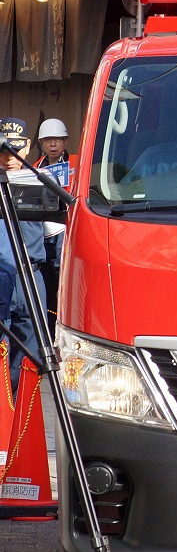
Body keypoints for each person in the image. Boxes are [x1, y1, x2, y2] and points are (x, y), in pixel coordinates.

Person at [0, 118, 46, 389]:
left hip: (31, 276)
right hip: (3, 275)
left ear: (27, 147)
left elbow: (56, 243)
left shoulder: (44, 183)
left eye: (15, 151)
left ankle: (19, 421)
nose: (9, 158)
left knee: (30, 357)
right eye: (3, 151)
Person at [33, 117, 74, 326]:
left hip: (67, 231)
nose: (53, 144)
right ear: (41, 144)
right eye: (48, 140)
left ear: (65, 141)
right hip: (42, 233)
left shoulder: (77, 163)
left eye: (57, 139)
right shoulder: (32, 169)